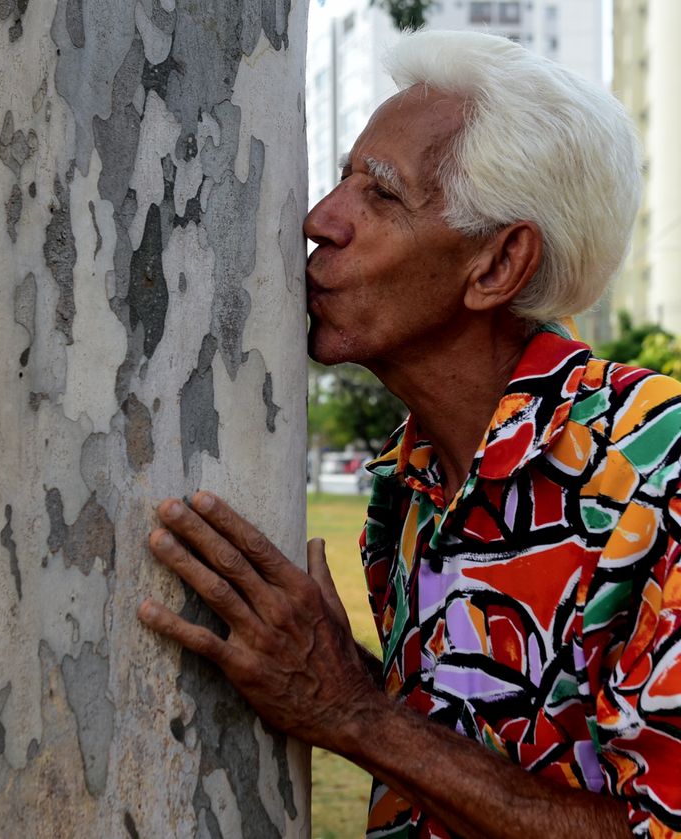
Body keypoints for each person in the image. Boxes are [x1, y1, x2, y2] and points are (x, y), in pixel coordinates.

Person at [138, 29, 681, 838]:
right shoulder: (410, 484)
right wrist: (343, 674)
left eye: (380, 194)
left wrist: (353, 712)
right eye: (343, 178)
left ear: (497, 266)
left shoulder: (656, 470)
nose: (321, 218)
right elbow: (471, 752)